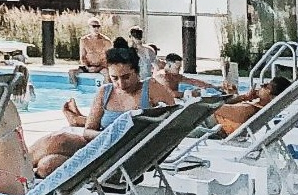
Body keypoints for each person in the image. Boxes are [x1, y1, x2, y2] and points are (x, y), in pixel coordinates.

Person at [30, 46, 176, 177]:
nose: (120, 84)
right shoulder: (105, 92)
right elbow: (88, 131)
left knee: (59, 139)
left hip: (125, 156)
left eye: (126, 77)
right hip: (100, 148)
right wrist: (109, 137)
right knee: (47, 166)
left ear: (137, 72)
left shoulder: (151, 87)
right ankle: (23, 172)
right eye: (114, 78)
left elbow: (175, 120)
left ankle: (18, 170)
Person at [213, 76, 293, 135]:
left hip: (210, 125)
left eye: (266, 86)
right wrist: (243, 97)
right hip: (214, 123)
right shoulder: (254, 107)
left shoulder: (248, 110)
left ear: (272, 97)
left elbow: (213, 108)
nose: (261, 85)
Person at [153, 52, 222, 99]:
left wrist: (215, 87)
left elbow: (193, 81)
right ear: (169, 65)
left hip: (172, 100)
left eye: (180, 67)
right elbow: (169, 94)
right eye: (177, 68)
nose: (179, 70)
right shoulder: (162, 77)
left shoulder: (175, 75)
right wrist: (190, 93)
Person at [71, 18, 112, 87]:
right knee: (72, 73)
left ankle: (106, 90)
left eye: (98, 26)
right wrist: (87, 67)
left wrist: (98, 68)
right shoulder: (84, 40)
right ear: (89, 27)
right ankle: (76, 89)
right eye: (94, 26)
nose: (96, 28)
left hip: (101, 67)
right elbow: (82, 57)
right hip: (88, 66)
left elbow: (109, 59)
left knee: (107, 74)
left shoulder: (106, 41)